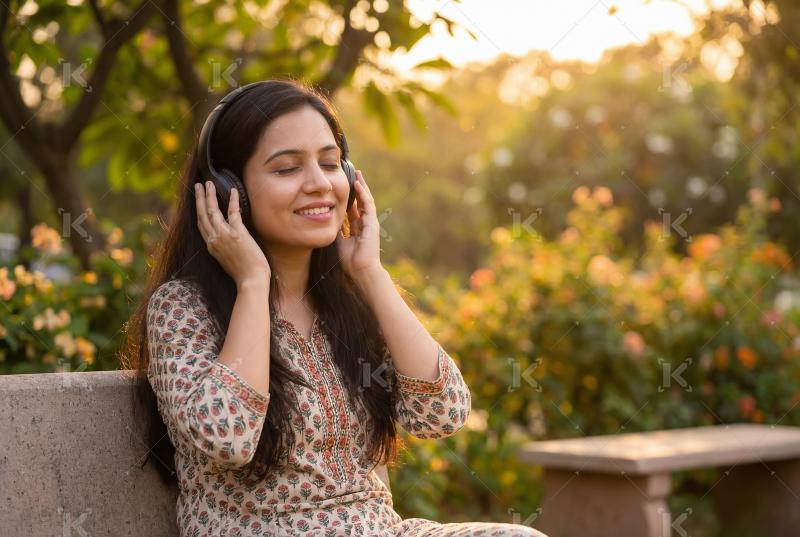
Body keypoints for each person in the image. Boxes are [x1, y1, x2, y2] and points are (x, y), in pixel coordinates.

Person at [124, 78, 547, 536]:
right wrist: (252, 282)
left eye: (329, 164)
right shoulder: (183, 307)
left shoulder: (346, 302)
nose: (319, 184)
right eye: (287, 169)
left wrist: (370, 274)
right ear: (231, 190)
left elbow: (442, 413)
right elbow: (229, 439)